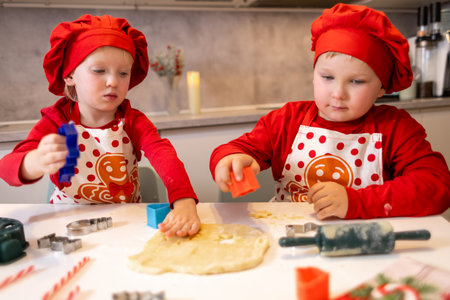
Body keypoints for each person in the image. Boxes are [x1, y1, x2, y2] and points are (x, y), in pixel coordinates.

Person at [210, 4, 450, 219]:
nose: (338, 93)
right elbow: (239, 149)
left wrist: (355, 202)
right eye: (327, 77)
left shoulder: (396, 127)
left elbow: (437, 186)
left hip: (366, 244)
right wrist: (229, 159)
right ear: (314, 73)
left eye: (356, 81)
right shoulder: (286, 120)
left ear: (382, 88)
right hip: (288, 238)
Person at [0, 15, 200, 237]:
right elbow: (6, 168)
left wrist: (183, 201)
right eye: (99, 71)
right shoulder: (55, 121)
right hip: (67, 225)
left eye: (123, 73)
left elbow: (164, 155)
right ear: (69, 76)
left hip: (126, 225)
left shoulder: (133, 121)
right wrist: (35, 161)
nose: (113, 81)